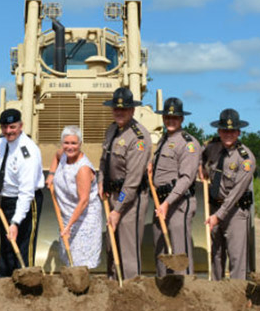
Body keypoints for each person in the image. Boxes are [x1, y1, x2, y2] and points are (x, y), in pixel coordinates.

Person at [97, 87, 150, 279]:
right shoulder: (112, 130)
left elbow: (132, 181)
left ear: (133, 110)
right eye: (116, 109)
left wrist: (118, 209)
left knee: (128, 251)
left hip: (130, 202)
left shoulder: (139, 138)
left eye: (124, 109)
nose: (119, 112)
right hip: (112, 196)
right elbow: (104, 160)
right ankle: (113, 288)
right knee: (112, 247)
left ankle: (130, 290)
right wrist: (101, 181)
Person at [202, 109, 256, 281]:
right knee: (215, 257)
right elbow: (197, 157)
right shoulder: (212, 148)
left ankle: (237, 298)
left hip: (235, 212)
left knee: (236, 259)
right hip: (214, 208)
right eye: (225, 130)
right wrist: (200, 168)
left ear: (239, 132)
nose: (228, 134)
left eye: (232, 131)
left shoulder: (245, 159)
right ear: (219, 131)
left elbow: (235, 194)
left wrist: (219, 215)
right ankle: (217, 296)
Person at [0, 108, 44, 277]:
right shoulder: (1, 143)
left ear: (21, 126)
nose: (8, 131)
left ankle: (25, 286)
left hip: (27, 201)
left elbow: (26, 192)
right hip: (5, 199)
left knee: (23, 245)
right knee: (6, 244)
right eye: (4, 127)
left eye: (12, 127)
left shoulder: (28, 152)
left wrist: (16, 221)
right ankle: (4, 284)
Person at [149, 97, 200, 276]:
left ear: (182, 119)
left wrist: (168, 203)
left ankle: (185, 290)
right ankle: (164, 289)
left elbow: (186, 179)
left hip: (178, 203)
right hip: (160, 203)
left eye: (175, 118)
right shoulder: (163, 140)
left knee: (179, 253)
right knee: (161, 251)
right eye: (167, 117)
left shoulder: (188, 143)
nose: (170, 121)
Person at [45, 125, 103, 268]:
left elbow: (84, 201)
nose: (69, 147)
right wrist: (51, 175)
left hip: (84, 218)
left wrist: (69, 226)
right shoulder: (63, 155)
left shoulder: (83, 168)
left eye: (74, 143)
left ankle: (83, 286)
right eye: (66, 143)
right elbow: (56, 156)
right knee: (68, 256)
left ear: (80, 144)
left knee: (81, 261)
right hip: (67, 213)